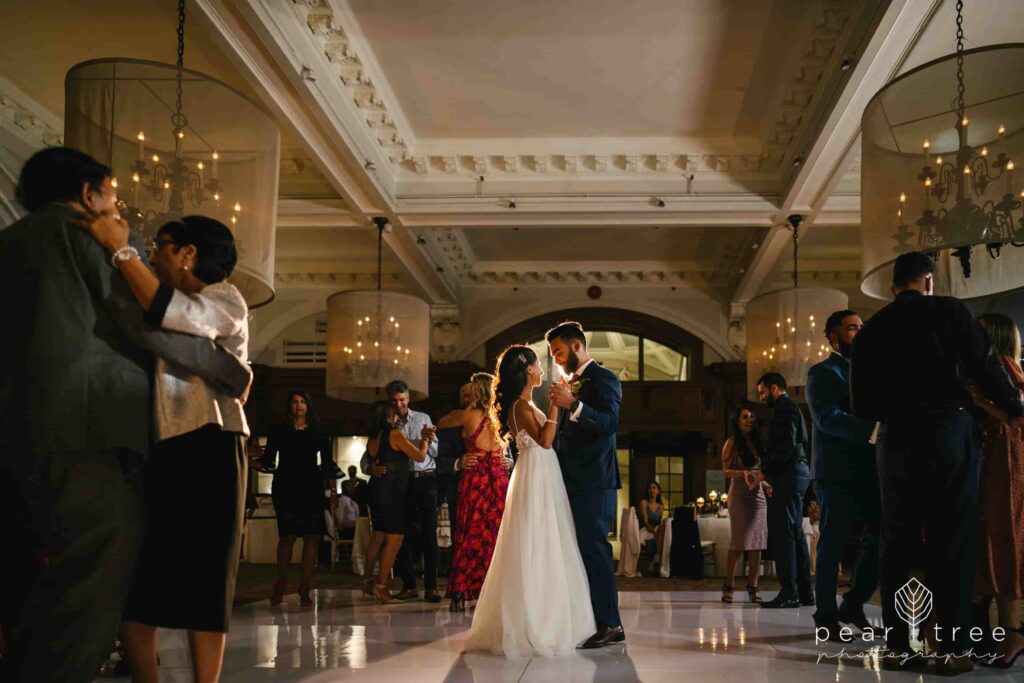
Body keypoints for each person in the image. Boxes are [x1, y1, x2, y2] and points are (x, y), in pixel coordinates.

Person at [0, 148, 250, 683]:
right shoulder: (93, 239)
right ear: (89, 195)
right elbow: (147, 325)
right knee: (95, 578)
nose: (119, 211)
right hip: (93, 429)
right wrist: (234, 374)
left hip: (22, 429)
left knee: (28, 577)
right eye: (112, 195)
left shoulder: (10, 242)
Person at [76, 211, 253, 683]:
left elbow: (166, 316)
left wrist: (122, 249)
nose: (154, 256)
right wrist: (234, 373)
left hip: (214, 442)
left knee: (208, 577)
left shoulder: (225, 297)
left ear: (188, 254)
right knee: (141, 575)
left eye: (162, 246)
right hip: (158, 444)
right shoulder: (149, 298)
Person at [850, 252, 1024, 674]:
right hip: (949, 432)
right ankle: (952, 649)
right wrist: (1012, 405)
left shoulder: (873, 328)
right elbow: (984, 365)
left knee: (898, 542)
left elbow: (861, 405)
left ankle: (897, 646)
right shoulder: (949, 310)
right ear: (928, 281)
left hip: (896, 439)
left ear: (894, 287)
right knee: (954, 539)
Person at [466, 345, 595, 656]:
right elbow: (546, 440)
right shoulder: (520, 407)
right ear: (527, 371)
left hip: (541, 473)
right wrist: (555, 404)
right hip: (536, 477)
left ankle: (553, 616)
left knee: (549, 541)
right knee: (538, 541)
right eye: (538, 365)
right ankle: (537, 623)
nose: (542, 370)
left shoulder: (523, 404)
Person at [546, 321, 624, 647]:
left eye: (560, 352)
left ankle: (611, 624)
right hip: (572, 480)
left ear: (577, 346)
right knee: (579, 552)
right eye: (553, 355)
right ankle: (588, 619)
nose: (557, 360)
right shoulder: (570, 381)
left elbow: (609, 423)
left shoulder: (605, 379)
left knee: (595, 550)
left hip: (595, 479)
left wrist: (574, 405)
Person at [805, 309, 879, 640]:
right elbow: (828, 418)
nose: (860, 333)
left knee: (881, 539)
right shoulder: (822, 373)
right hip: (835, 474)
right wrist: (875, 430)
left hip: (873, 472)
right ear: (833, 337)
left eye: (862, 327)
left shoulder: (871, 372)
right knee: (832, 546)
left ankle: (853, 603)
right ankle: (825, 615)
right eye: (852, 328)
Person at [969, 314, 1024, 668]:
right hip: (1002, 458)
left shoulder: (1001, 365)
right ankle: (1005, 632)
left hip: (1001, 461)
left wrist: (977, 402)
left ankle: (1011, 634)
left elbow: (1015, 413)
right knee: (999, 537)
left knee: (998, 536)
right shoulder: (1005, 365)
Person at [436, 372, 510, 612]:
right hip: (499, 479)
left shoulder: (467, 416)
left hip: (477, 480)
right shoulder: (502, 417)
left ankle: (460, 590)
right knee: (496, 536)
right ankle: (492, 591)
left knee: (470, 533)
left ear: (476, 392)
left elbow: (441, 422)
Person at [258, 390, 334, 607]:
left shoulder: (319, 432)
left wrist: (333, 492)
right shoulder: (279, 430)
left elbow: (328, 464)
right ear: (289, 406)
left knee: (312, 538)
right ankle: (280, 584)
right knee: (287, 537)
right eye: (294, 402)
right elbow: (268, 459)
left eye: (302, 402)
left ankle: (304, 587)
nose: (299, 405)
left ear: (308, 406)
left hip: (311, 486)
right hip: (286, 486)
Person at [361, 401, 431, 603]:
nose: (398, 417)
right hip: (393, 492)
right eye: (395, 414)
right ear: (389, 416)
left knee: (378, 537)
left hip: (377, 490)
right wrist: (425, 439)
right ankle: (381, 586)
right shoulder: (394, 434)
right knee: (395, 539)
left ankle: (367, 580)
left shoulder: (374, 437)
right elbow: (419, 456)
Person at [753, 372, 813, 609]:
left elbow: (786, 445)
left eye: (763, 392)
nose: (761, 397)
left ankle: (789, 592)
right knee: (795, 533)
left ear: (775, 388)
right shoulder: (793, 408)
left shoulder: (783, 409)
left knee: (784, 533)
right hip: (797, 472)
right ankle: (805, 592)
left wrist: (763, 472)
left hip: (790, 473)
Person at [386, 380, 441, 603]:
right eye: (395, 401)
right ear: (390, 401)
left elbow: (435, 452)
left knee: (430, 535)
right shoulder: (388, 424)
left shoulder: (423, 419)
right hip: (402, 483)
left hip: (426, 480)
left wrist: (426, 440)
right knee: (403, 537)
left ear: (408, 399)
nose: (399, 404)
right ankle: (409, 586)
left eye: (402, 400)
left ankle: (431, 587)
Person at [720, 403, 769, 604]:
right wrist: (743, 473)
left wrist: (765, 484)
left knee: (757, 543)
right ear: (737, 422)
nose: (750, 419)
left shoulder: (758, 443)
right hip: (739, 495)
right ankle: (729, 585)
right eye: (745, 416)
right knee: (738, 542)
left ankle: (753, 586)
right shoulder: (731, 443)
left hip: (757, 496)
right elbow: (726, 471)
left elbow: (760, 472)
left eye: (751, 416)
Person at [637, 481, 666, 573]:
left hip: (657, 528)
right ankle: (657, 559)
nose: (652, 490)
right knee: (659, 534)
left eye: (654, 488)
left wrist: (656, 531)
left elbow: (660, 521)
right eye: (650, 488)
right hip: (647, 528)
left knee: (662, 528)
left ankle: (656, 557)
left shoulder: (661, 506)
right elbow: (645, 521)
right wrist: (654, 532)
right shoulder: (644, 502)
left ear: (658, 491)